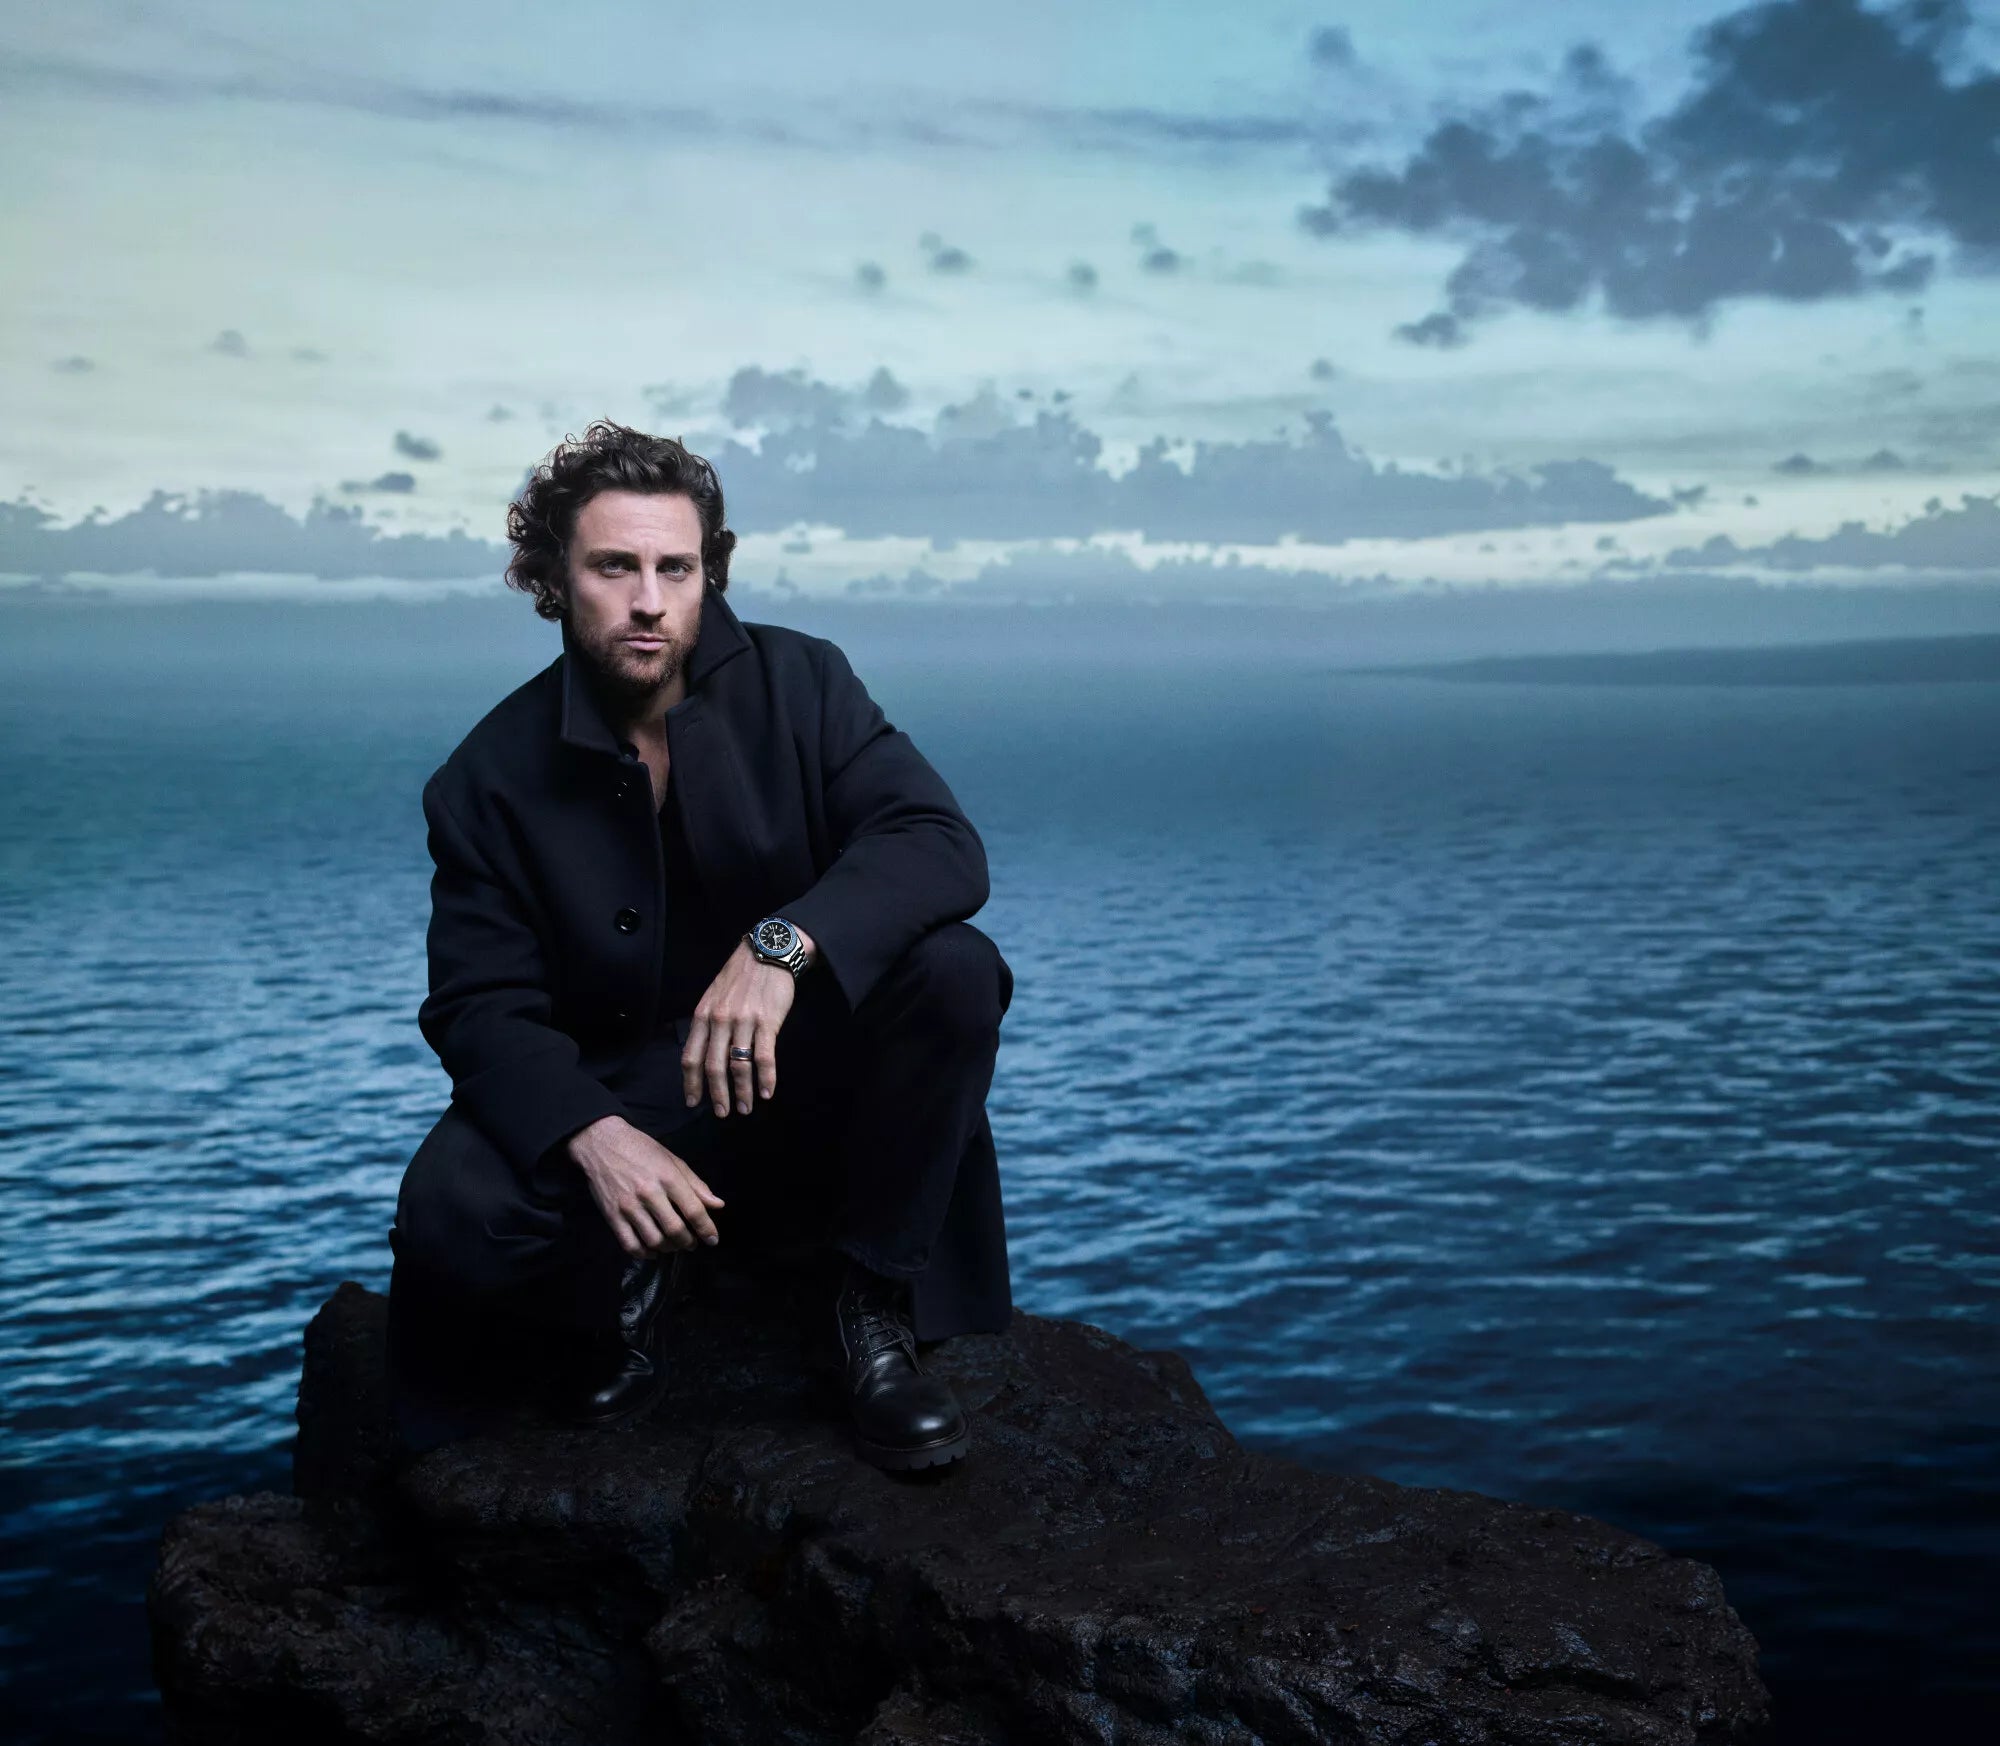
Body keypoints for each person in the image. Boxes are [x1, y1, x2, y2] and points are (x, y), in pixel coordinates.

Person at [385, 419, 1015, 1472]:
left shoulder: (804, 682)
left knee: (955, 971)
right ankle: (629, 1279)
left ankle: (868, 1302)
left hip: (807, 1071)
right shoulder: (484, 778)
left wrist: (782, 947)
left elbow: (937, 843)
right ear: (550, 577)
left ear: (708, 574)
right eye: (613, 566)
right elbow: (477, 1005)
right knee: (456, 1212)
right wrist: (592, 1134)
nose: (647, 600)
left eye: (675, 568)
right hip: (636, 1089)